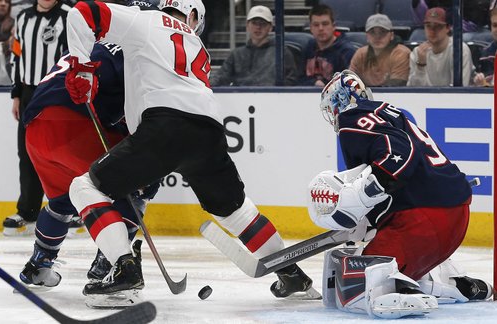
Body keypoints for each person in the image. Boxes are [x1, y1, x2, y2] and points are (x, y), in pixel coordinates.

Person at [63, 0, 315, 304]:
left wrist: (81, 68)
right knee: (236, 211)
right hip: (208, 132)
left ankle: (124, 269)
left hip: (164, 127)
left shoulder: (144, 20)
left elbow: (83, 12)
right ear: (192, 15)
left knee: (84, 187)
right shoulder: (197, 44)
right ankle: (290, 273)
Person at [308, 70, 492, 318]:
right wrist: (370, 219)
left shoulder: (352, 118)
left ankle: (397, 290)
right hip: (455, 216)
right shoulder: (389, 114)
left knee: (353, 285)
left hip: (423, 220)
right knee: (378, 260)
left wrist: (361, 197)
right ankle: (453, 284)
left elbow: (399, 153)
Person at [16, 40, 154, 294]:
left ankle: (39, 265)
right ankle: (111, 265)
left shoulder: (89, 42)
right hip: (75, 126)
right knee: (136, 185)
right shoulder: (139, 49)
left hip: (35, 131)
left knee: (62, 201)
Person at [5, 0, 70, 236]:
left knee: (62, 154)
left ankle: (69, 210)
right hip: (29, 93)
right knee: (27, 153)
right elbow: (17, 56)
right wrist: (16, 95)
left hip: (56, 92)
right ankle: (28, 211)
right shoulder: (23, 18)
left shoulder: (68, 15)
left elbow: (73, 57)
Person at [209, 5, 298, 86]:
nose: (258, 27)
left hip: (271, 99)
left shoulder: (282, 53)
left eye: (263, 23)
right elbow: (221, 77)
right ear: (247, 25)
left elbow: (291, 81)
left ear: (270, 27)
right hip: (240, 99)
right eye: (254, 23)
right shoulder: (236, 54)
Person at [407, 7, 474, 87]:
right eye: (428, 26)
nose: (432, 30)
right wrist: (420, 66)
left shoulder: (459, 50)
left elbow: (460, 89)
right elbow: (413, 91)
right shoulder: (417, 52)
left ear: (448, 28)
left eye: (438, 26)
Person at [300, 4, 356, 86]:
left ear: (333, 26)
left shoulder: (346, 51)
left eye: (325, 24)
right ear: (311, 28)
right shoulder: (309, 47)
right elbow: (298, 79)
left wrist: (325, 86)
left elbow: (349, 84)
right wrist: (314, 83)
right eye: (316, 25)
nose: (321, 28)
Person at [349, 14, 411, 87]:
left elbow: (397, 86)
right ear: (367, 36)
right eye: (372, 32)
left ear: (391, 35)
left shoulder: (401, 53)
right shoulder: (360, 54)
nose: (377, 37)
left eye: (382, 32)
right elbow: (349, 81)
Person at [412, 0, 491, 32]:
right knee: (416, 35)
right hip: (437, 29)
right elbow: (422, 22)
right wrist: (416, 4)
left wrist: (450, 29)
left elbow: (474, 24)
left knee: (464, 39)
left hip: (466, 31)